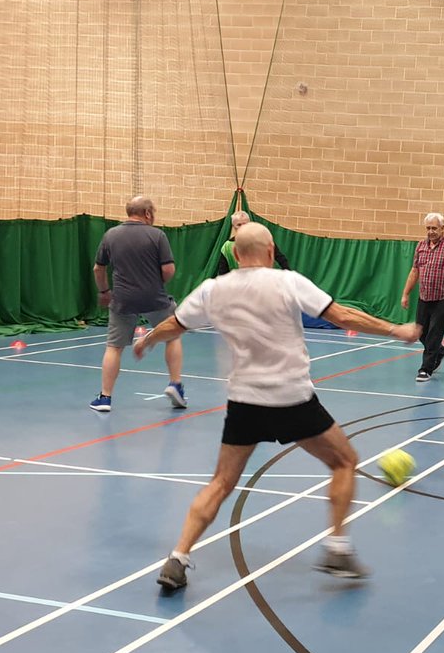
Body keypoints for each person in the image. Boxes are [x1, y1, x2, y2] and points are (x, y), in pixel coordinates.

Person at [134, 222, 421, 589]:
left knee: (221, 482)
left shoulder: (212, 290)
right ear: (271, 252)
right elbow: (342, 316)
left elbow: (175, 324)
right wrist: (396, 330)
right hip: (293, 400)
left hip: (245, 403)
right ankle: (337, 548)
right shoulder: (288, 281)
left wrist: (149, 340)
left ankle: (178, 557)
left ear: (235, 255)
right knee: (345, 461)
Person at [90, 196, 185, 412]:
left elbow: (98, 268)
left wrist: (104, 291)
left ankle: (105, 398)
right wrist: (154, 283)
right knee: (173, 336)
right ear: (148, 214)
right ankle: (175, 384)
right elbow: (168, 270)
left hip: (123, 299)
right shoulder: (157, 235)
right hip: (155, 297)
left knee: (114, 347)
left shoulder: (110, 235)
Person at [400, 212, 444, 382]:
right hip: (424, 297)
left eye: (434, 228)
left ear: (442, 228)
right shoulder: (421, 246)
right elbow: (414, 271)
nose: (431, 231)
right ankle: (439, 351)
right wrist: (405, 293)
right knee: (420, 333)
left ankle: (425, 369)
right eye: (428, 228)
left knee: (435, 333)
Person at [217, 210, 291, 275]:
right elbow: (223, 272)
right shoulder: (226, 247)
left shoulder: (263, 240)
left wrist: (288, 275)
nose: (243, 227)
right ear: (233, 226)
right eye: (239, 225)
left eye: (245, 224)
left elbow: (281, 259)